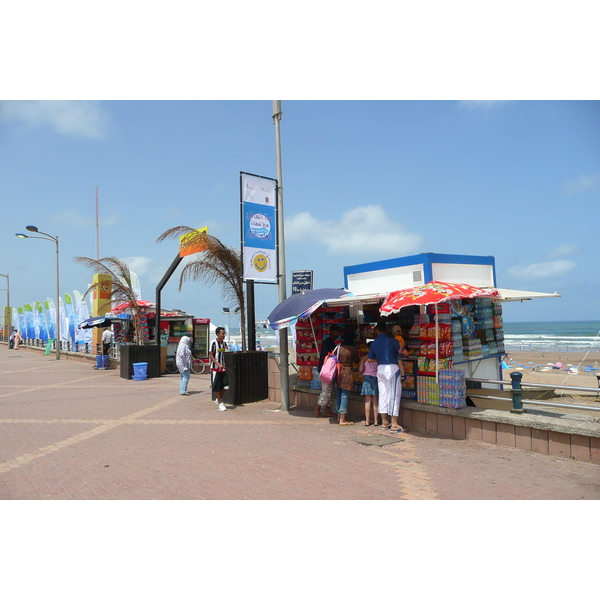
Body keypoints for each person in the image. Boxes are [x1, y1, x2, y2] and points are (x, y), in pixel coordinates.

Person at [367, 321, 408, 433]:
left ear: (377, 330)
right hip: (392, 368)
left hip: (380, 369)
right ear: (387, 330)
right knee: (394, 395)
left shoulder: (374, 342)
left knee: (383, 395)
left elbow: (370, 359)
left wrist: (379, 358)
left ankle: (384, 422)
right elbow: (401, 352)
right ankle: (394, 424)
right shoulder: (393, 341)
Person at [314, 324, 341, 418]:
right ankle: (318, 408)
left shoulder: (331, 342)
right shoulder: (328, 342)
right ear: (332, 331)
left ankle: (327, 410)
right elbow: (327, 357)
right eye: (337, 331)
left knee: (330, 391)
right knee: (326, 391)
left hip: (328, 370)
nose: (338, 333)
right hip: (326, 371)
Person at [335, 328, 360, 426]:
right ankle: (342, 419)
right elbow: (357, 360)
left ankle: (339, 417)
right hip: (347, 373)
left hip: (338, 372)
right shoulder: (352, 349)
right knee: (345, 395)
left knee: (338, 394)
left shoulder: (338, 347)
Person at [359, 340, 378, 426]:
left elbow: (360, 370)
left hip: (366, 378)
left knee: (367, 401)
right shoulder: (377, 358)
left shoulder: (364, 358)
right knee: (375, 401)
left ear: (367, 349)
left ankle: (367, 421)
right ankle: (376, 421)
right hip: (375, 378)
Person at [209, 327, 229, 411]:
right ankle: (220, 403)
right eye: (222, 333)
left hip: (223, 368)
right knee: (216, 386)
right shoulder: (213, 343)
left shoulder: (224, 344)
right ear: (218, 334)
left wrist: (225, 365)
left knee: (226, 386)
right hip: (215, 369)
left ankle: (218, 399)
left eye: (224, 333)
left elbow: (225, 353)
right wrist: (218, 364)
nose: (224, 335)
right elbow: (211, 355)